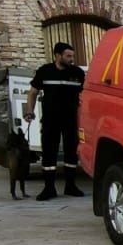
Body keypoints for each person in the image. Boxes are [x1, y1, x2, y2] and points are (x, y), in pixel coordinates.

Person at [23, 42, 86, 200]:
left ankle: (70, 186)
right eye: (68, 56)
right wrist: (29, 111)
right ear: (58, 56)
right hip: (51, 119)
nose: (71, 59)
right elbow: (33, 92)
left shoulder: (77, 73)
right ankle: (49, 188)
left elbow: (85, 94)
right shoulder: (45, 71)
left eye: (72, 56)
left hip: (71, 119)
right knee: (49, 152)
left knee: (71, 152)